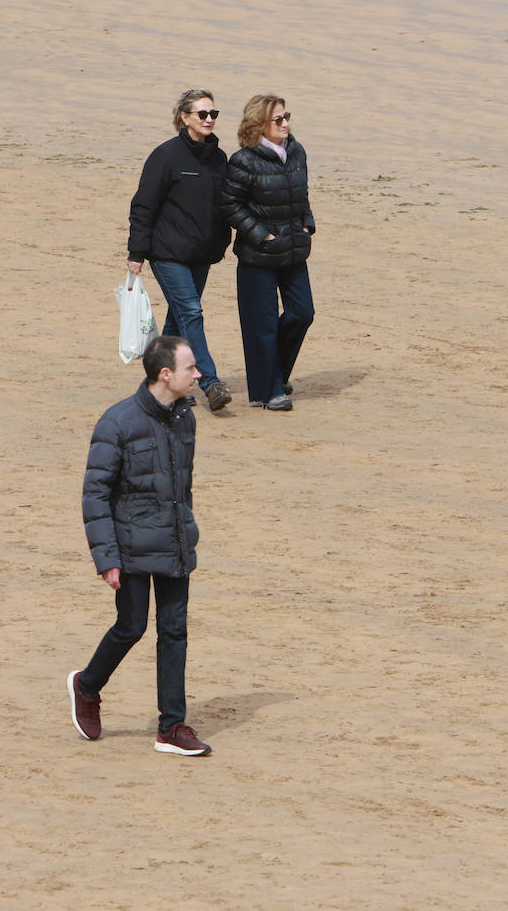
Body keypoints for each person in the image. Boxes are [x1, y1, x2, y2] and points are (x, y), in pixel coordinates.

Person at [69, 336, 212, 756]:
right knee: (131, 626)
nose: (198, 374)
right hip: (129, 546)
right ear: (165, 374)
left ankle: (172, 727)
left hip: (174, 542)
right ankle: (87, 685)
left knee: (175, 630)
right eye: (190, 368)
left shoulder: (185, 417)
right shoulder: (117, 422)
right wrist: (106, 558)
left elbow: (182, 487)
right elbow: (95, 495)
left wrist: (186, 532)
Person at [126, 88, 233, 412]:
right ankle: (210, 382)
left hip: (202, 254)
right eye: (202, 114)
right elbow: (144, 205)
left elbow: (226, 204)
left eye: (213, 114)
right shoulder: (166, 155)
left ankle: (160, 385)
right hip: (167, 253)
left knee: (178, 320)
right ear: (184, 118)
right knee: (191, 312)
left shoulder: (219, 158)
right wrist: (137, 253)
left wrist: (223, 240)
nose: (209, 119)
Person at [220, 94, 315, 412]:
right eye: (278, 119)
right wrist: (263, 235)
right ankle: (270, 391)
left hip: (294, 249)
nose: (285, 123)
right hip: (258, 255)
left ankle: (274, 374)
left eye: (287, 116)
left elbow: (301, 194)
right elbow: (230, 205)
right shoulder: (243, 160)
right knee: (262, 325)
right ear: (259, 124)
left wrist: (307, 224)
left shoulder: (297, 151)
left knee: (302, 313)